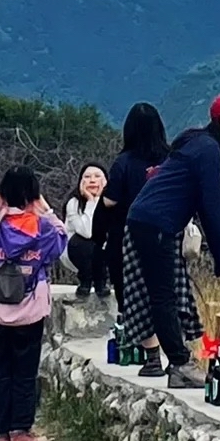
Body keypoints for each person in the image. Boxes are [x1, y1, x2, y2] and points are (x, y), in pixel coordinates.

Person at [125, 92, 220, 389]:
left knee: (163, 294)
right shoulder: (208, 149)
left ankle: (179, 363)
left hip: (150, 220)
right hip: (155, 223)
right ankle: (181, 365)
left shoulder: (200, 144)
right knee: (163, 295)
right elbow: (211, 206)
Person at [0, 165, 67, 441]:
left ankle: (2, 439)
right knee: (23, 374)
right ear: (33, 195)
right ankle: (21, 435)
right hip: (27, 314)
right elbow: (61, 241)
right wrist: (46, 210)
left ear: (1, 192)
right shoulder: (41, 227)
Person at [99, 103, 168, 313]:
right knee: (161, 300)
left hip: (126, 239)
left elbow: (110, 201)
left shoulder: (124, 162)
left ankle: (133, 343)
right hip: (164, 238)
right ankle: (162, 344)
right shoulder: (171, 158)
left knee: (129, 303)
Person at [63, 162, 110, 298]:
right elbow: (87, 232)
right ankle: (85, 281)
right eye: (87, 177)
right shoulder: (74, 203)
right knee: (84, 241)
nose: (92, 180)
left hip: (102, 254)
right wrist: (92, 201)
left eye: (97, 176)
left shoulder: (113, 203)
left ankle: (101, 282)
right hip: (76, 253)